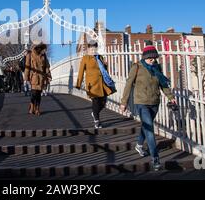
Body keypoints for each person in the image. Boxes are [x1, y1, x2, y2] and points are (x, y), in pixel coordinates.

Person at [120, 41, 177, 171]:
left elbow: (163, 84)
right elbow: (129, 84)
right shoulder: (137, 67)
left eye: (154, 58)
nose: (152, 60)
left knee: (147, 125)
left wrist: (171, 97)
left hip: (155, 102)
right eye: (150, 58)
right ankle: (155, 159)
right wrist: (124, 102)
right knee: (150, 129)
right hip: (141, 102)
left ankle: (139, 145)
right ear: (144, 57)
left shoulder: (157, 67)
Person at [75, 41, 116, 129]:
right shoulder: (85, 58)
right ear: (88, 49)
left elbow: (103, 70)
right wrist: (78, 84)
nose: (93, 50)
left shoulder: (100, 57)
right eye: (91, 48)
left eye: (95, 48)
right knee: (96, 102)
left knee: (103, 102)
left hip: (102, 83)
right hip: (92, 85)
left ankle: (94, 113)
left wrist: (105, 65)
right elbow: (81, 71)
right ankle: (97, 121)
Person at [24, 43, 51, 115]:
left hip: (41, 78)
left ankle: (37, 109)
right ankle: (32, 106)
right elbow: (27, 66)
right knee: (34, 93)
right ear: (38, 48)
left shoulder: (43, 55)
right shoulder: (30, 54)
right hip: (33, 77)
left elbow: (47, 67)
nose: (44, 50)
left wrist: (49, 76)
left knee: (39, 94)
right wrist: (26, 78)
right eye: (42, 48)